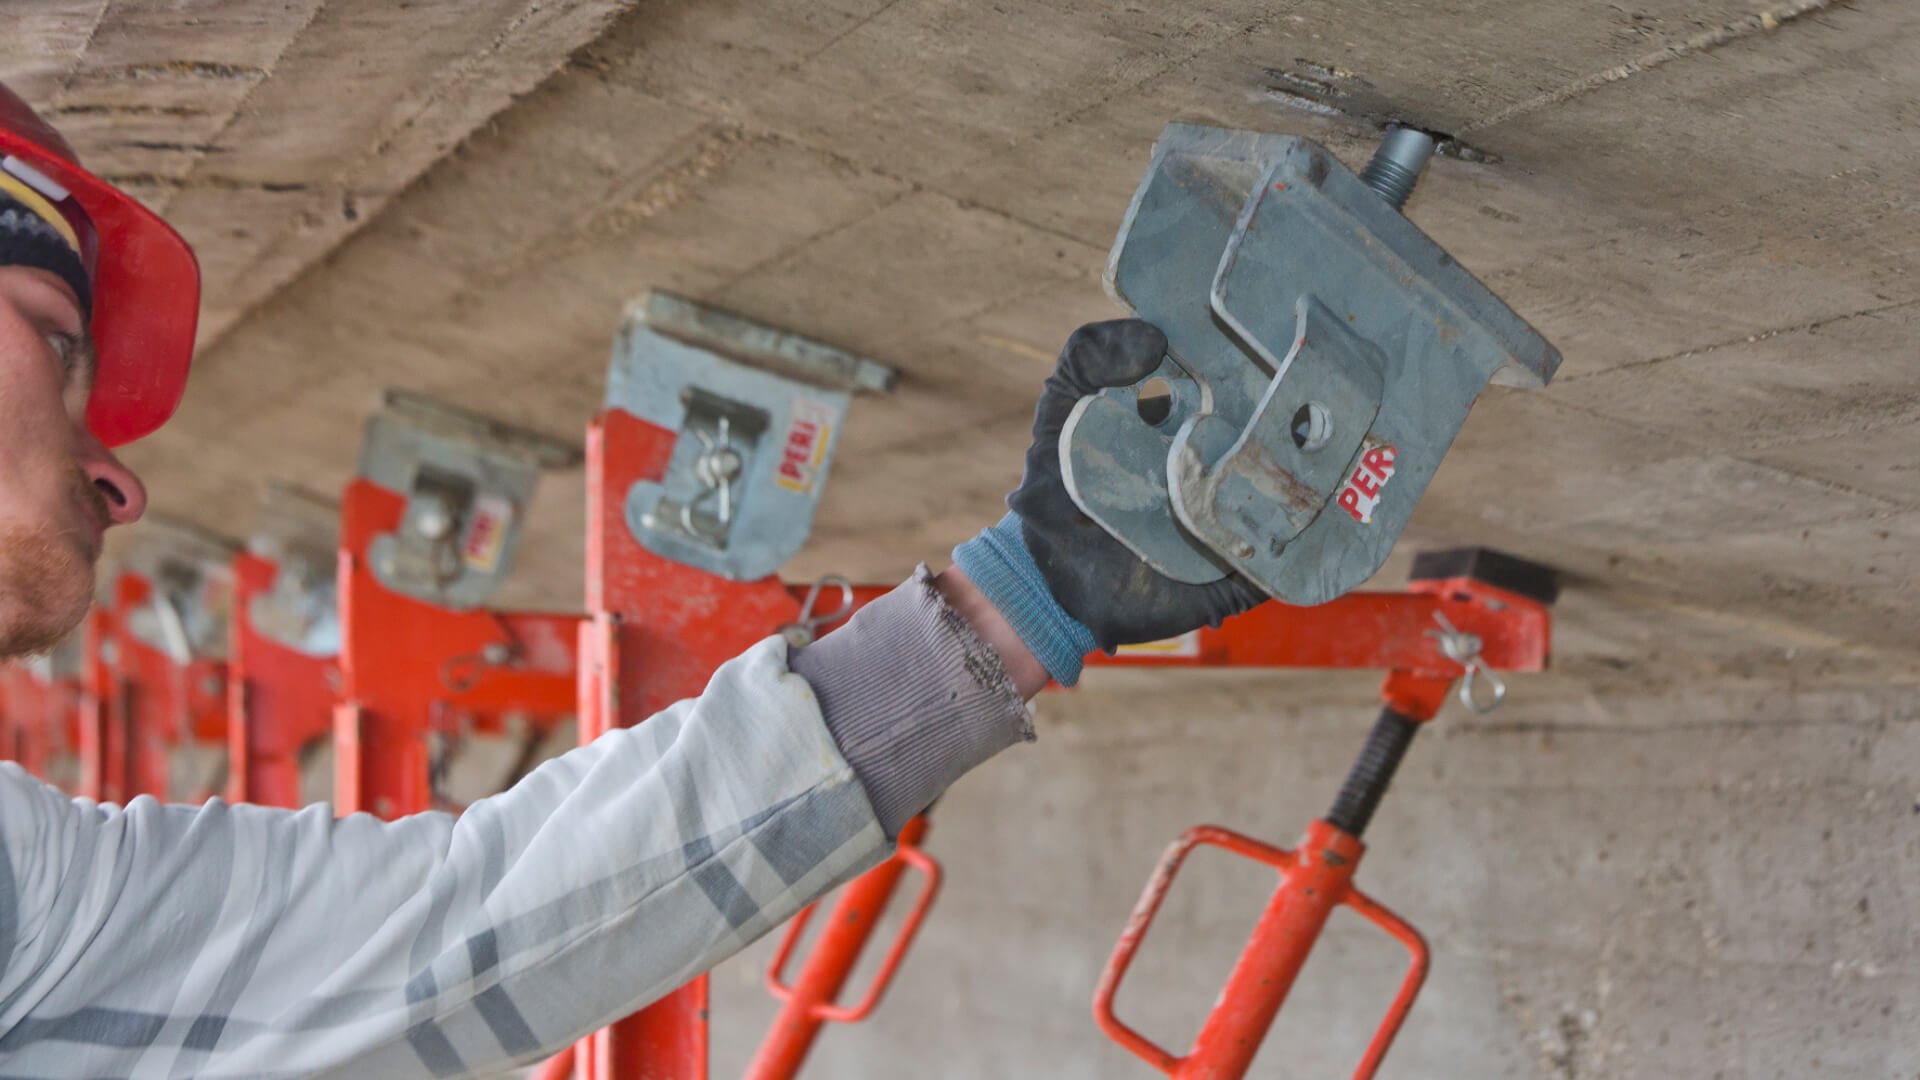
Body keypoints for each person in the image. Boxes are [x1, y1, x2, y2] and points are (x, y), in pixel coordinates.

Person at [0, 83, 1262, 1077]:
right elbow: (471, 943)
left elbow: (475, 933)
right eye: (55, 341)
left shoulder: (30, 884)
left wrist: (1020, 605)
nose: (122, 482)